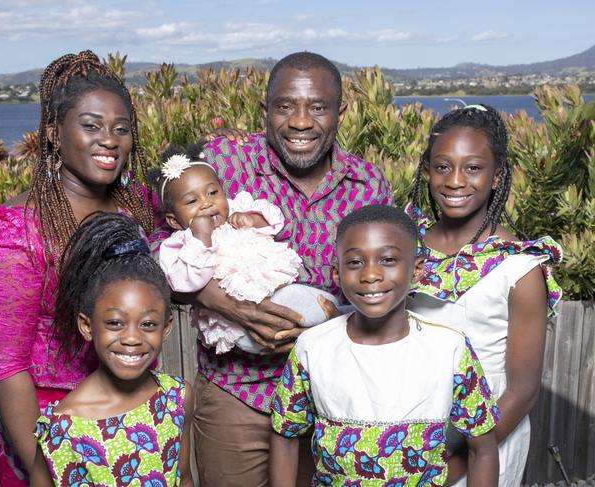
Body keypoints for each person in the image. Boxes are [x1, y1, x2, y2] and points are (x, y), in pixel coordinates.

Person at [172, 51, 393, 485]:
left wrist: (324, 325)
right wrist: (229, 306)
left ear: (340, 113)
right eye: (285, 106)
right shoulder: (222, 164)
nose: (300, 122)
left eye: (317, 107)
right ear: (265, 110)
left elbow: (383, 284)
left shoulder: (370, 186)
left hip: (330, 398)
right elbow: (157, 252)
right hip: (237, 392)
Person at [0, 50, 158, 486]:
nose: (109, 139)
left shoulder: (137, 210)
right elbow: (6, 365)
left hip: (136, 421)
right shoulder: (17, 232)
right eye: (91, 125)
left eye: (121, 128)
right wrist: (42, 466)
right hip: (51, 423)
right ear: (54, 133)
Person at [269, 204, 500, 485]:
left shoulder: (450, 348)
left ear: (416, 270)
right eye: (355, 262)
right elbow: (285, 435)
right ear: (337, 274)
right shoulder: (312, 348)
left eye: (388, 260)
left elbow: (483, 449)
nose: (371, 275)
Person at [406, 104, 563, 485]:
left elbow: (523, 392)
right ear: (427, 172)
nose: (455, 180)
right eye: (443, 166)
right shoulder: (405, 245)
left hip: (485, 442)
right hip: (407, 432)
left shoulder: (519, 268)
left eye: (473, 168)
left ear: (497, 177)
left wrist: (457, 465)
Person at [30, 212, 193, 487]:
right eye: (115, 323)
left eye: (148, 324)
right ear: (87, 325)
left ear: (166, 328)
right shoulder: (61, 431)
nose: (132, 338)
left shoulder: (177, 398)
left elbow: (184, 479)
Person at [152, 145, 343, 354]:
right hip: (234, 320)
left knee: (293, 303)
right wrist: (202, 238)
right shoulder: (180, 245)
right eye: (192, 200)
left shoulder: (236, 209)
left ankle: (325, 316)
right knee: (250, 335)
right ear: (174, 221)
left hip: (271, 287)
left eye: (213, 192)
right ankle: (271, 338)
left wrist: (253, 219)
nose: (207, 203)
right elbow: (187, 282)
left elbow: (276, 222)